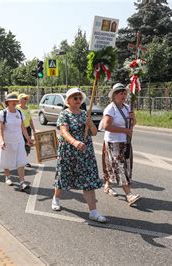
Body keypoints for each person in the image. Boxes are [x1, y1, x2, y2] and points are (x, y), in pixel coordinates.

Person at [51, 88, 106, 223]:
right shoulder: (64, 114)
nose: (78, 100)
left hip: (85, 153)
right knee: (63, 177)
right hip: (68, 152)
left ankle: (93, 212)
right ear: (68, 100)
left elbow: (94, 133)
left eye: (79, 98)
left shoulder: (85, 114)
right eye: (75, 98)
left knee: (88, 181)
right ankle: (56, 199)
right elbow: (63, 131)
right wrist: (75, 142)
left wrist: (90, 124)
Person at [101, 83, 140, 206]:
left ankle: (107, 185)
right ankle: (129, 195)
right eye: (121, 93)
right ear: (114, 95)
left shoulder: (127, 107)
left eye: (125, 93)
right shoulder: (110, 108)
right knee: (119, 167)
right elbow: (106, 126)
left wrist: (133, 118)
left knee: (122, 166)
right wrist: (125, 130)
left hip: (126, 142)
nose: (123, 95)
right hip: (113, 142)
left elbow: (132, 124)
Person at [0, 92, 32, 191]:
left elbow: (23, 128)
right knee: (6, 159)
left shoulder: (19, 113)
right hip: (7, 140)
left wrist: (28, 139)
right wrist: (2, 140)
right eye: (13, 101)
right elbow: (1, 129)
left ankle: (22, 182)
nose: (15, 102)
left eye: (16, 101)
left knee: (21, 161)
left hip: (19, 140)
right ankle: (7, 177)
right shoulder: (3, 113)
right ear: (8, 102)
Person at [17, 93, 36, 167]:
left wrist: (34, 130)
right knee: (20, 146)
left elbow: (30, 120)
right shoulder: (17, 108)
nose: (26, 100)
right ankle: (19, 160)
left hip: (27, 129)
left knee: (28, 145)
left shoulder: (27, 108)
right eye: (24, 99)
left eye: (26, 99)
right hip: (19, 129)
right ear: (20, 100)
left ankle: (25, 160)